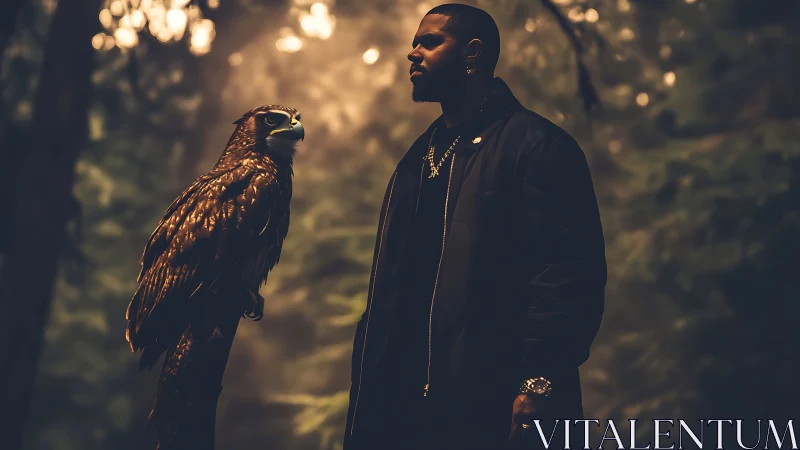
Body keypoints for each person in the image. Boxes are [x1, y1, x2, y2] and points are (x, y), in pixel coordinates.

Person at [343, 4, 607, 449]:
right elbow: (389, 295)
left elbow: (569, 275)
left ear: (473, 53)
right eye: (414, 43)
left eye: (429, 42)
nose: (413, 53)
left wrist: (538, 383)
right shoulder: (415, 161)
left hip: (492, 403)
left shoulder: (538, 146)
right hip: (403, 413)